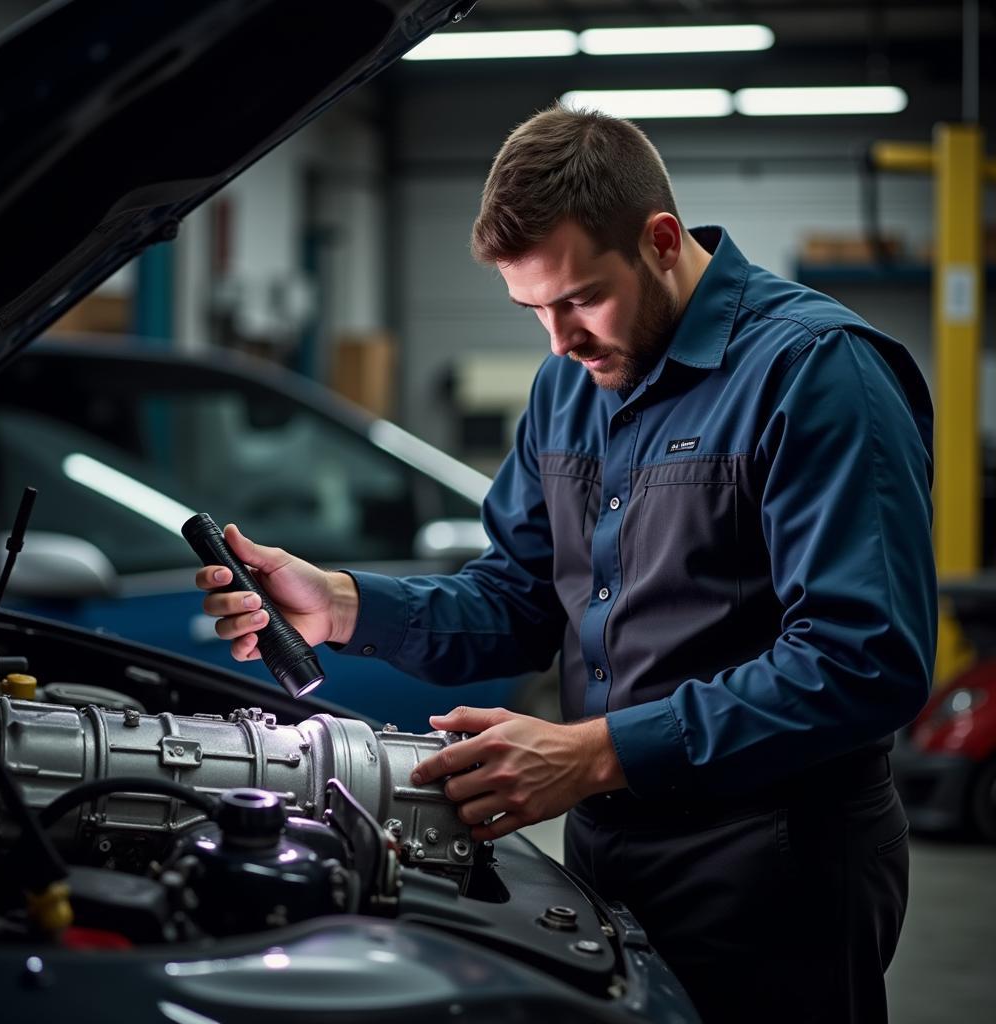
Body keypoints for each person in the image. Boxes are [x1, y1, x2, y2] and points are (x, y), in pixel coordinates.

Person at [195, 105, 937, 1023]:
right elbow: (519, 598)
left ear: (661, 241)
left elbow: (865, 660)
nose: (558, 342)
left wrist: (594, 752)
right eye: (534, 310)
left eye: (580, 298)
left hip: (776, 862)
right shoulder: (570, 386)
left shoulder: (817, 372)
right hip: (604, 850)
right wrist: (343, 605)